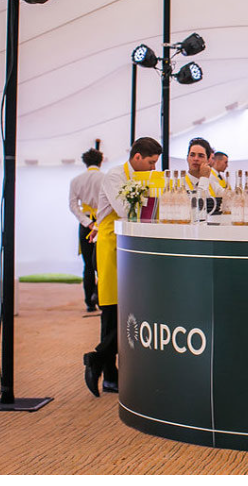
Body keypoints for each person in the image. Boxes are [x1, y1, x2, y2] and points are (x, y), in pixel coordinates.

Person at [83, 137, 162, 396]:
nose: (153, 168)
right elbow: (126, 210)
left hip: (130, 244)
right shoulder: (115, 176)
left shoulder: (148, 177)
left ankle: (101, 364)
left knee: (127, 309)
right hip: (109, 244)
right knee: (112, 309)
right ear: (137, 157)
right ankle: (107, 372)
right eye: (150, 162)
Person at [67, 148, 105, 312]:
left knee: (87, 265)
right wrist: (96, 224)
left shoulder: (76, 180)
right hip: (102, 223)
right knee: (102, 263)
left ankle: (89, 302)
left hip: (85, 224)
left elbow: (73, 205)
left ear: (85, 162)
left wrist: (87, 222)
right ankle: (100, 296)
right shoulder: (105, 178)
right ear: (100, 162)